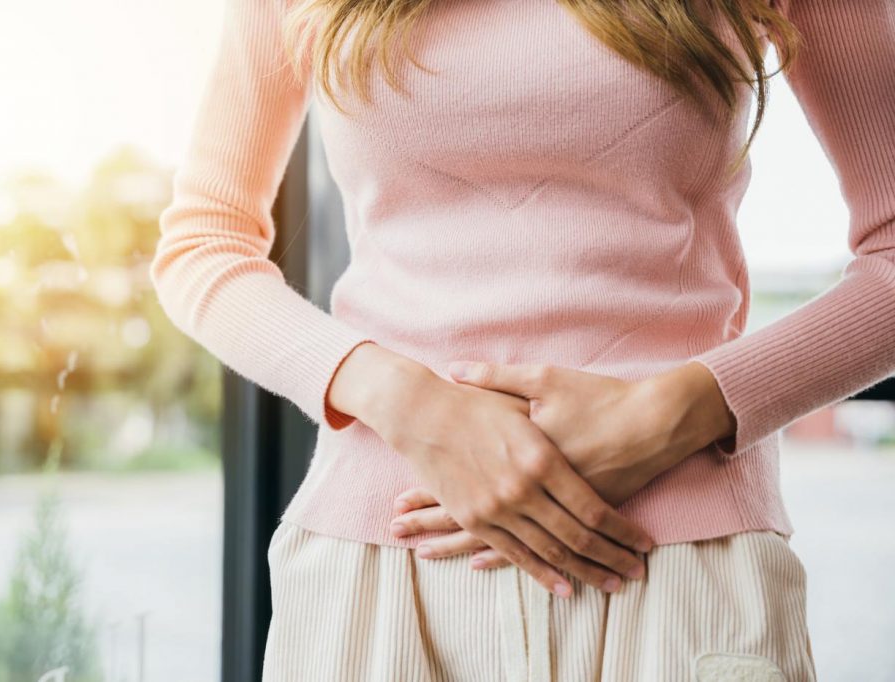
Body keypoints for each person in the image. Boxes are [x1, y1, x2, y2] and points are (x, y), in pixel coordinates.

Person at [149, 0, 895, 679]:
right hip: (383, 568)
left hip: (680, 566)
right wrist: (410, 403)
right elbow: (203, 245)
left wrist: (674, 412)